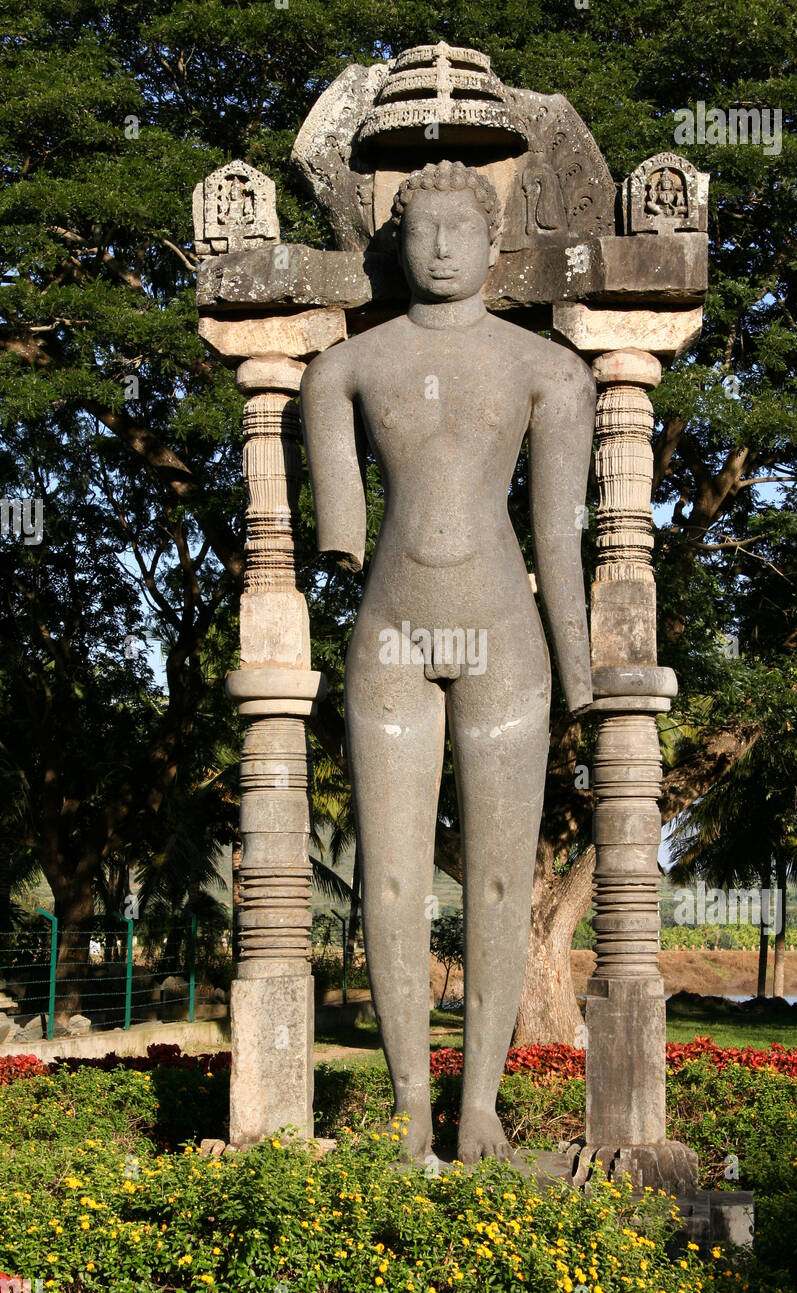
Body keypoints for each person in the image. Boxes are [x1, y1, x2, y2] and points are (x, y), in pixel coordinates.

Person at [301, 160, 594, 1162]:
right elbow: (340, 526)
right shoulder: (342, 371)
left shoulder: (547, 370)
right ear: (395, 244)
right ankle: (406, 1111)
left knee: (500, 879)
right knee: (388, 879)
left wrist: (580, 669)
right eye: (419, 231)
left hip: (504, 635)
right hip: (391, 630)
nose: (437, 249)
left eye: (457, 232)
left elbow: (557, 536)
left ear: (489, 240)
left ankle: (475, 1111)